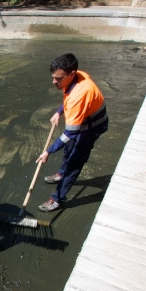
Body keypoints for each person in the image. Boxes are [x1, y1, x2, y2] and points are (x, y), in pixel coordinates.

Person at [36, 53, 109, 212]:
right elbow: (67, 97)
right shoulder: (76, 77)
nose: (54, 81)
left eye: (58, 78)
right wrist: (59, 111)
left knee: (74, 161)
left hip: (92, 127)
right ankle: (61, 174)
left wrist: (48, 151)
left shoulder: (79, 95)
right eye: (54, 77)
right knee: (68, 149)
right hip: (83, 118)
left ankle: (57, 199)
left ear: (72, 74)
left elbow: (70, 134)